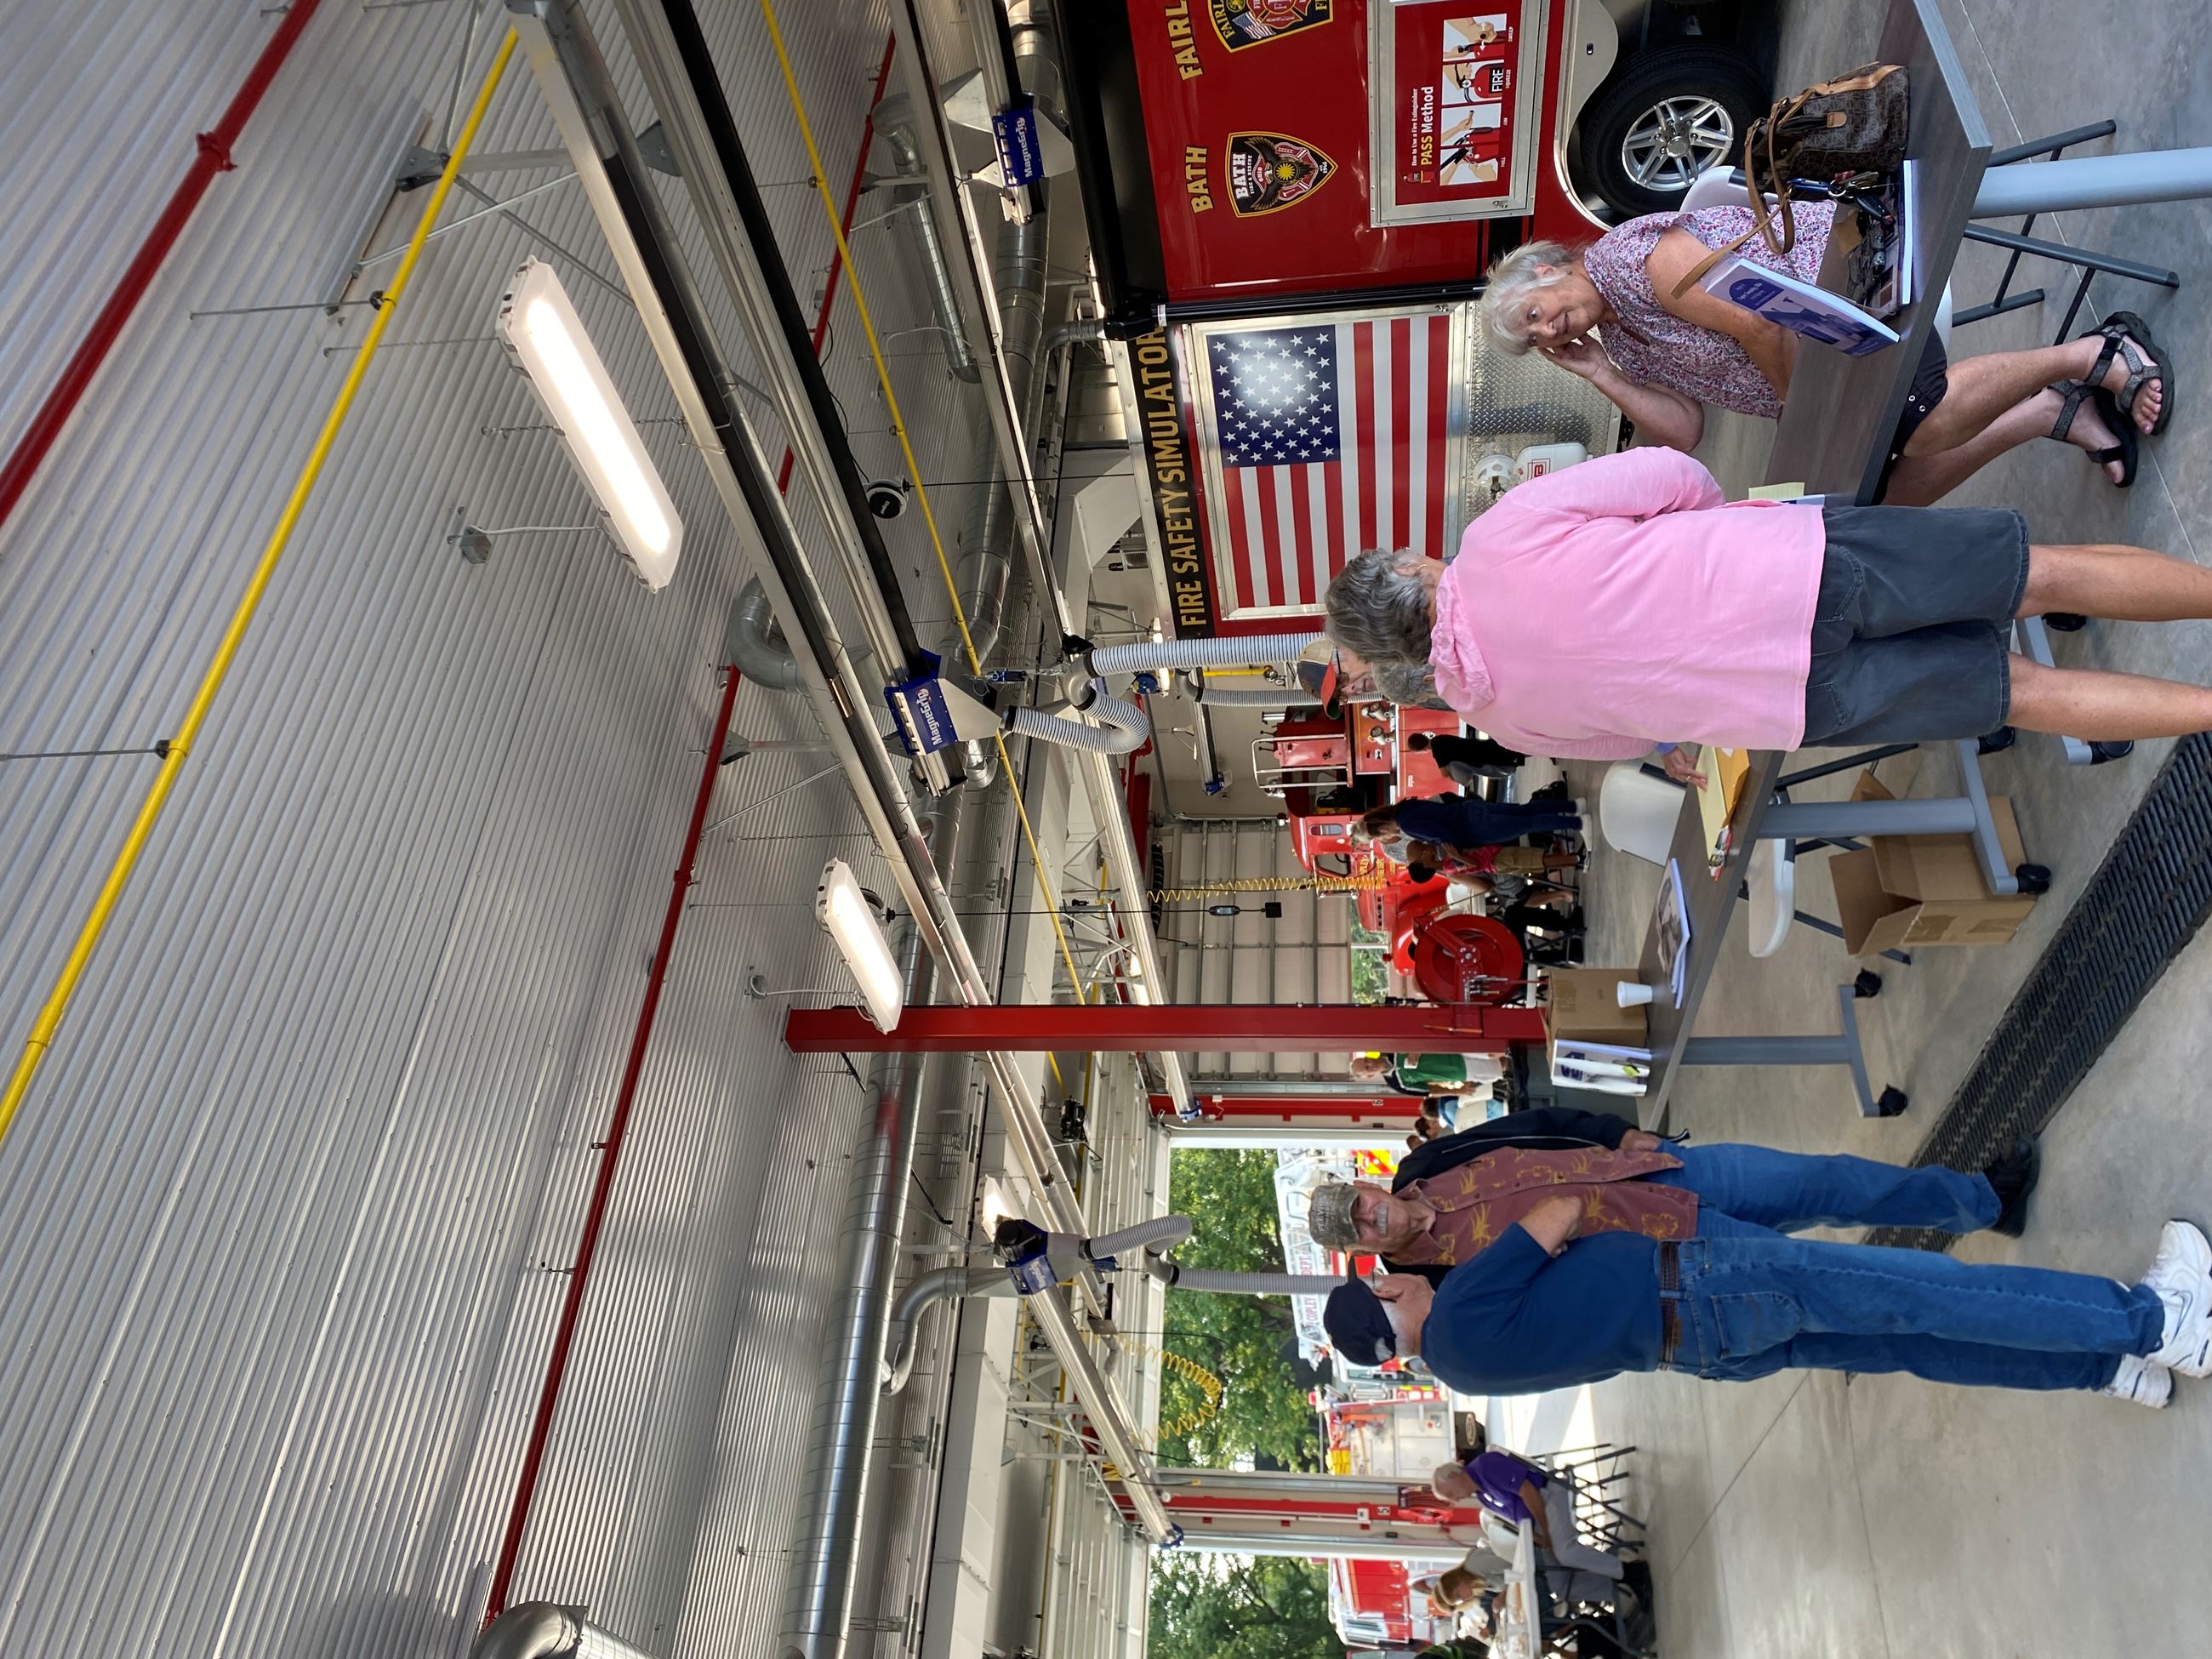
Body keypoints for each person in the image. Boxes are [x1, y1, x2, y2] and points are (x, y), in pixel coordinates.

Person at [1322, 446, 2212, 768]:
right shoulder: (1501, 534)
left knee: (2021, 695)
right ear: (1406, 565)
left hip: (1788, 705)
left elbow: (1640, 741)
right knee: (2036, 576)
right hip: (1796, 570)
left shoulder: (1501, 723)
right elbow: (1679, 475)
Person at [1478, 217, 2172, 503]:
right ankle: (2051, 412)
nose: (1548, 332)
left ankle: (2092, 351)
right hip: (1823, 359)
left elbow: (1759, 323)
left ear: (1548, 270)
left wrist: (1801, 411)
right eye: (1534, 340)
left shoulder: (1632, 267)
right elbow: (1686, 430)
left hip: (1847, 284)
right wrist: (1600, 373)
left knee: (1917, 425)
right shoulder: (1619, 335)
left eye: (1536, 315)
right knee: (1880, 497)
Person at [1321, 1194, 2212, 1408]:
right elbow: (1551, 1215)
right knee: (1925, 1293)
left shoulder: (1460, 1374)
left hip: (1700, 1350)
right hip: (1705, 1285)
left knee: (1908, 1342)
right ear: (1387, 1291)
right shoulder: (1456, 1305)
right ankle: (2154, 1322)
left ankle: (2106, 1368)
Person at [1434, 1451, 1623, 1608]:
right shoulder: (1482, 1495)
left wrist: (1546, 1533)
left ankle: (1627, 1571)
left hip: (1548, 1496)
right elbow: (1517, 1519)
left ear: (1454, 1475)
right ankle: (1618, 1588)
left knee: (1566, 1554)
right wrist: (1538, 1537)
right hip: (1537, 1520)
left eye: (1450, 1494)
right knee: (1561, 1588)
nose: (1455, 1500)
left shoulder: (1485, 1466)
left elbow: (1528, 1490)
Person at [1359, 797, 1585, 854]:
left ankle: (1578, 822)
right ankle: (1574, 806)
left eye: (1377, 838)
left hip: (1474, 828)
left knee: (1529, 824)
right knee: (1526, 810)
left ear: (1381, 830)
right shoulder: (1404, 807)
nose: (1382, 840)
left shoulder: (1407, 825)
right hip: (1470, 809)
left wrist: (1454, 850)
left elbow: (1441, 834)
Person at [1405, 728, 1528, 784]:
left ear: (1421, 750)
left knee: (1517, 754)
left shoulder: (1437, 750)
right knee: (1518, 750)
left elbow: (1445, 774)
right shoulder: (1439, 738)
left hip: (1481, 758)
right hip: (1480, 747)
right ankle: (1542, 748)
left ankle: (1544, 750)